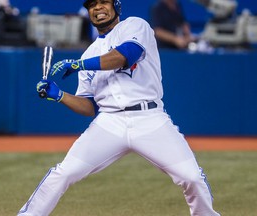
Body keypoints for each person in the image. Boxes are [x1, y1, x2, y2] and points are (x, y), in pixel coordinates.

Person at [18, 0, 220, 215]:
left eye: (104, 2)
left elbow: (125, 56)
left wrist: (78, 65)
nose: (98, 8)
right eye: (92, 5)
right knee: (64, 172)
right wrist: (59, 95)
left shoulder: (135, 25)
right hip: (109, 122)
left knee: (192, 177)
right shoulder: (89, 53)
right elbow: (89, 106)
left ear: (116, 6)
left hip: (149, 117)